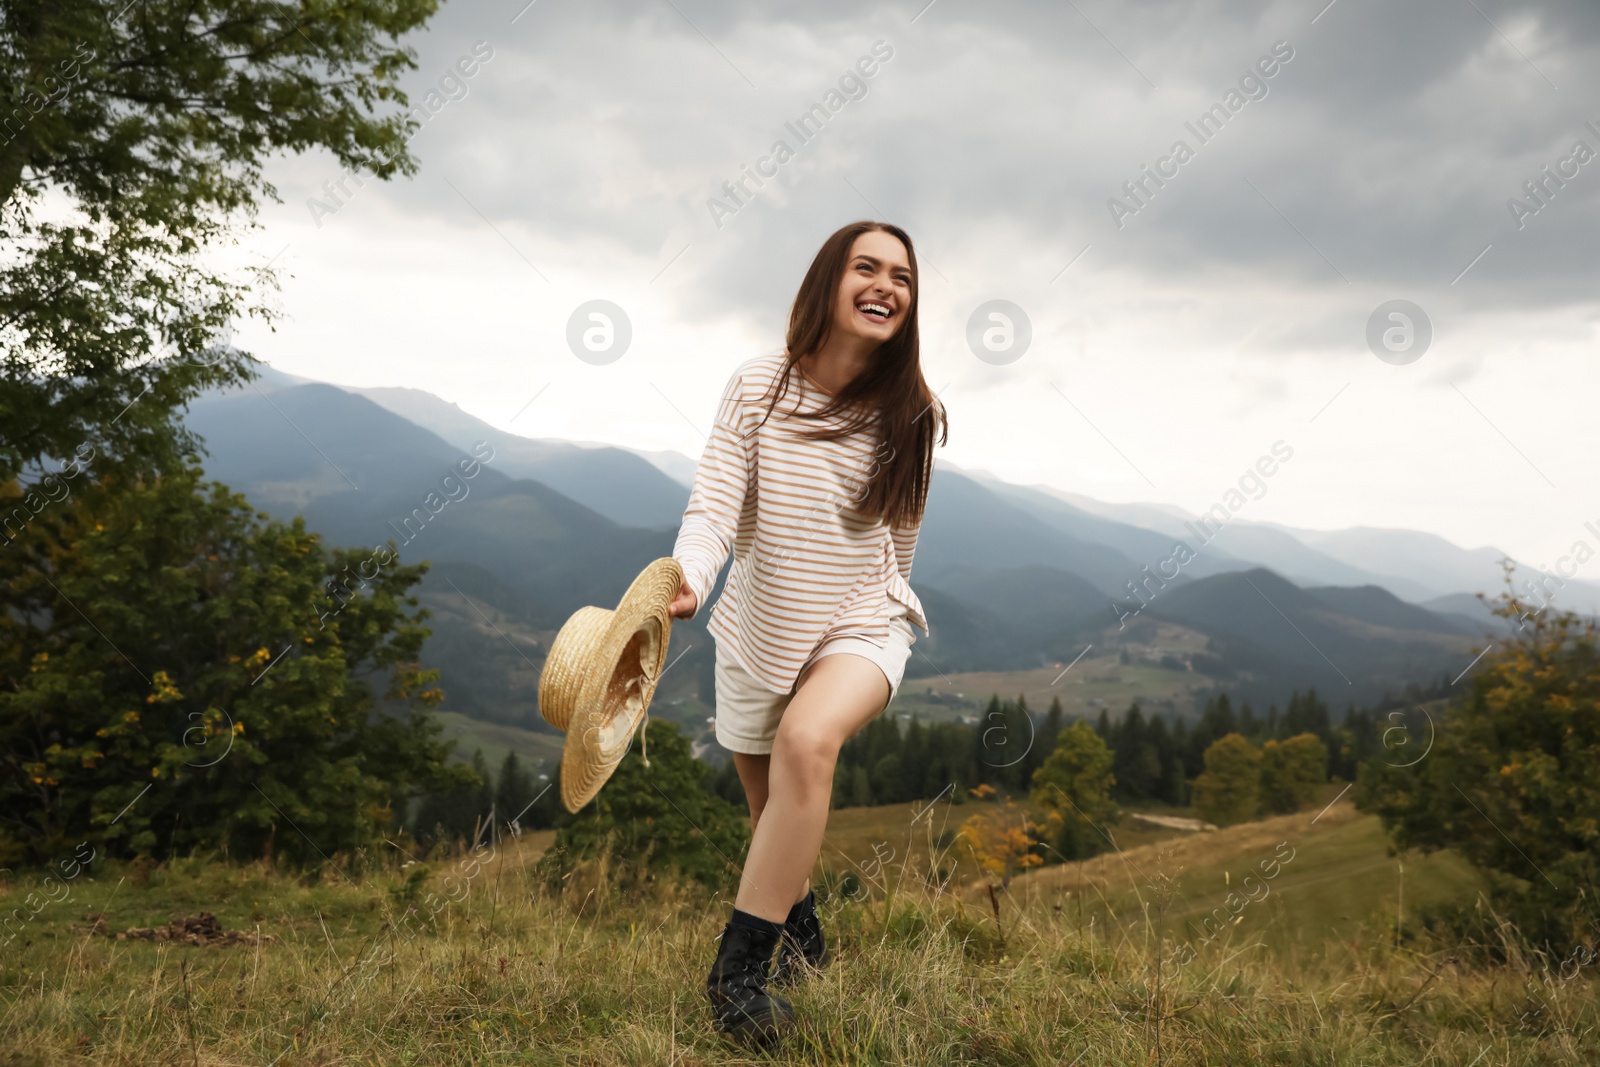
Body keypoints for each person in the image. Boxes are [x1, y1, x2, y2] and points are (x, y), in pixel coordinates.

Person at [669, 219, 948, 1045]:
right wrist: (687, 574)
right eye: (868, 267)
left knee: (808, 742)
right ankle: (804, 939)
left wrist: (877, 611)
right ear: (830, 280)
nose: (886, 285)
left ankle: (736, 978)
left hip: (863, 621)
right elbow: (714, 504)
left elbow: (900, 546)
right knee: (770, 813)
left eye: (902, 277)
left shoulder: (912, 414)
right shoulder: (760, 385)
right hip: (757, 630)